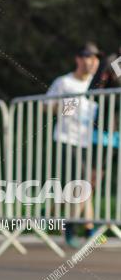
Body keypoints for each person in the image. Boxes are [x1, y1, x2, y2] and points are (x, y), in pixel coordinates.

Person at [46, 44, 100, 247]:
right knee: (82, 184)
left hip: (89, 141)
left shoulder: (97, 84)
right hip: (66, 139)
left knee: (83, 186)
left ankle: (58, 217)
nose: (92, 61)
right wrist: (67, 106)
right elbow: (46, 106)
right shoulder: (64, 82)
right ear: (78, 59)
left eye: (95, 58)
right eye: (88, 57)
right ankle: (75, 226)